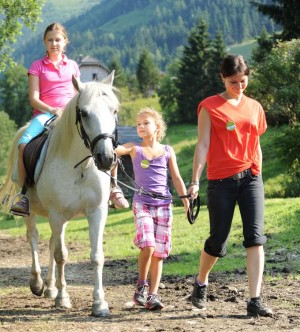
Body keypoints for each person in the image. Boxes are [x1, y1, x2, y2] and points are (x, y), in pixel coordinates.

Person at [188, 55, 273, 317]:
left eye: (243, 81)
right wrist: (194, 181)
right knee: (217, 241)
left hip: (251, 178)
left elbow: (255, 139)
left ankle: (255, 300)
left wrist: (257, 168)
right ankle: (201, 281)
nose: (238, 86)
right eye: (233, 81)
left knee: (255, 239)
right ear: (222, 78)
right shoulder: (209, 106)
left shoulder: (255, 107)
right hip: (220, 181)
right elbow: (202, 144)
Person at [116, 107, 189, 310]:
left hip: (164, 204)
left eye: (145, 123)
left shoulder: (167, 150)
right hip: (142, 203)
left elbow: (176, 178)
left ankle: (153, 296)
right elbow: (117, 150)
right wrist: (107, 147)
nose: (140, 127)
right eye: (138, 124)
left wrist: (185, 201)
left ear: (157, 126)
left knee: (158, 253)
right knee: (147, 245)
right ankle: (141, 285)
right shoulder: (134, 148)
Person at [9, 22, 81, 216]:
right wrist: (53, 109)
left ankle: (109, 188)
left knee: (97, 138)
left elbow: (77, 94)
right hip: (45, 115)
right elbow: (33, 99)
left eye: (58, 39)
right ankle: (23, 196)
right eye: (50, 40)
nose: (54, 43)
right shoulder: (37, 66)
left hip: (70, 115)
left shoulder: (73, 66)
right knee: (23, 144)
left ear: (65, 41)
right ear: (44, 42)